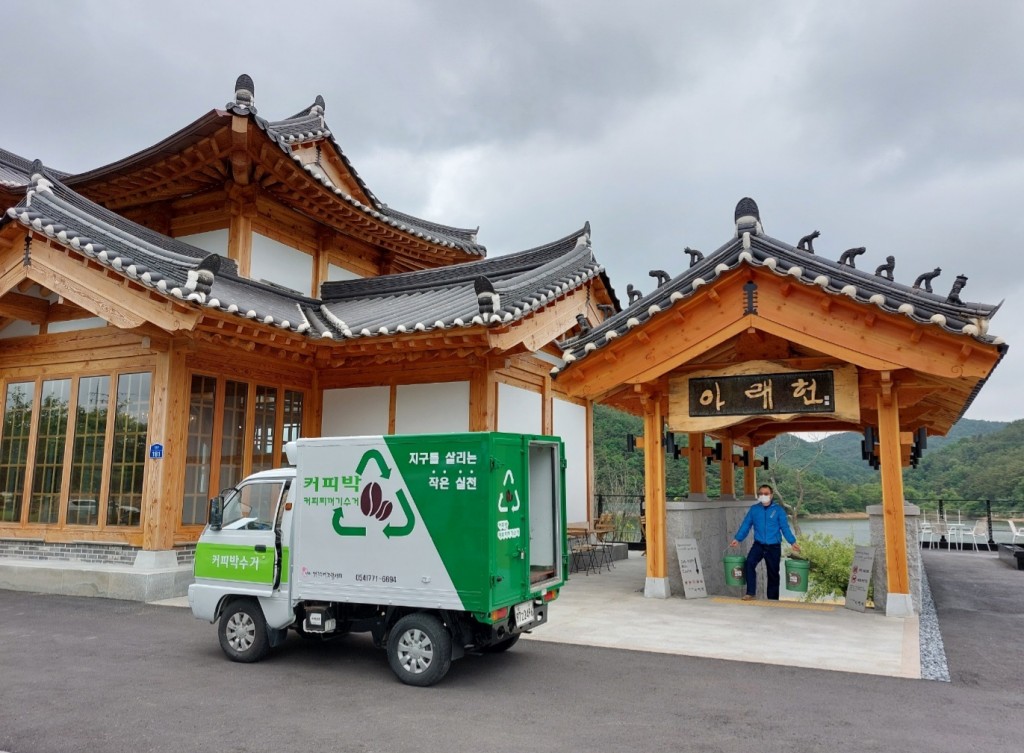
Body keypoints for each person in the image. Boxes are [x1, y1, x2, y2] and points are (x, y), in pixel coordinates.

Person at [729, 484, 800, 601]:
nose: (763, 496)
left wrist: (792, 542)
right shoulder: (754, 509)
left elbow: (785, 528)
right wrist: (737, 539)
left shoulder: (778, 510)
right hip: (759, 545)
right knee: (749, 563)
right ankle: (750, 593)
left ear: (771, 495)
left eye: (766, 494)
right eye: (761, 493)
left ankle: (773, 599)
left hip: (774, 547)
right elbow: (746, 525)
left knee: (773, 573)